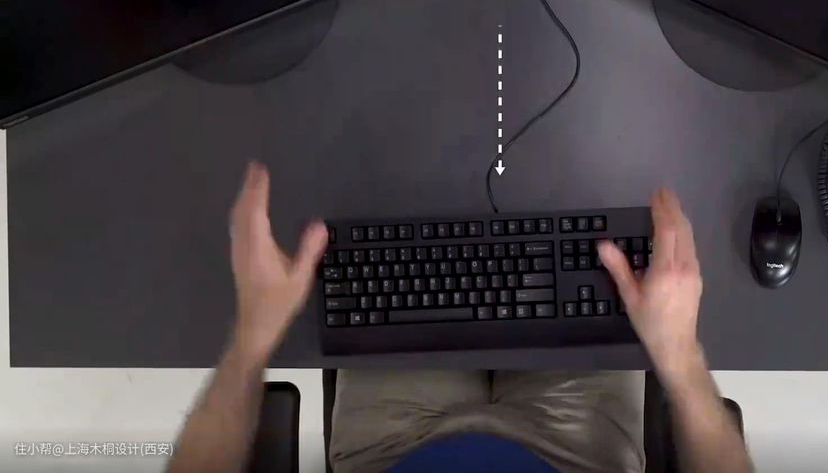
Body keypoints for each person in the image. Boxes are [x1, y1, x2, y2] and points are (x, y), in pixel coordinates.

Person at [167, 162, 753, 473]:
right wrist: (679, 357)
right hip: (580, 453)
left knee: (387, 182)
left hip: (391, 452)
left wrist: (253, 338)